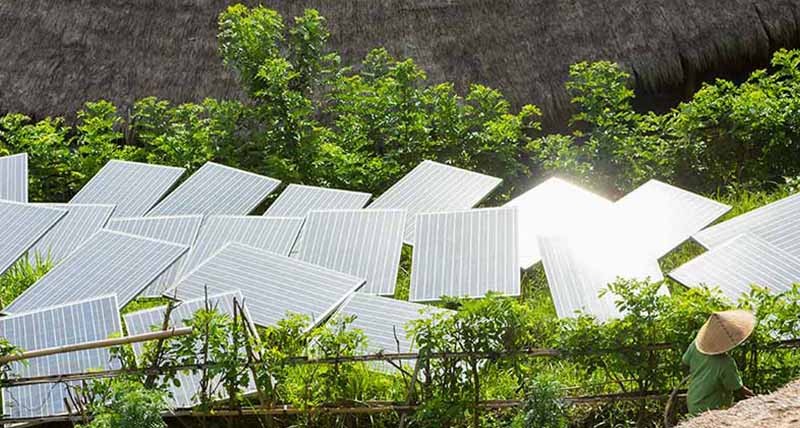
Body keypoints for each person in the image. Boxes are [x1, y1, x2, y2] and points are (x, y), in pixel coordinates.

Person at [682, 309, 756, 415]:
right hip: (711, 409)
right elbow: (738, 389)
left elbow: (685, 362)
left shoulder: (695, 345)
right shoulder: (726, 363)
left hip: (693, 400)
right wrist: (757, 399)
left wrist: (698, 374)